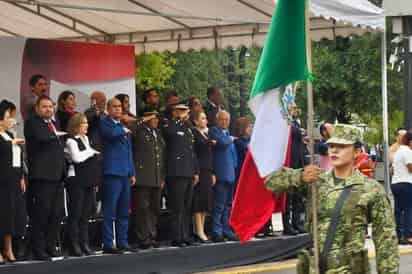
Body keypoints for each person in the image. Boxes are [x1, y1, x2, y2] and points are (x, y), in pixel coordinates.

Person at [265, 124, 399, 274]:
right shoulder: (315, 180)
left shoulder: (371, 189)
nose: (334, 150)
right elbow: (270, 183)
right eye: (331, 145)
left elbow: (386, 241)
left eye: (341, 146)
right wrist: (300, 176)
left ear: (356, 151)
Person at [24, 95, 66, 260]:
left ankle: (50, 246)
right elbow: (41, 138)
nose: (49, 109)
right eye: (45, 106)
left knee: (57, 214)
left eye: (50, 106)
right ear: (37, 108)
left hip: (57, 176)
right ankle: (38, 248)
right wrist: (56, 135)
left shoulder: (54, 124)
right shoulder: (32, 122)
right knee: (42, 213)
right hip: (42, 176)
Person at [99, 98, 136, 254]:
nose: (118, 109)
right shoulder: (104, 122)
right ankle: (108, 243)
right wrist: (123, 129)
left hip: (125, 172)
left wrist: (132, 172)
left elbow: (129, 151)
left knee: (123, 210)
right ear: (108, 109)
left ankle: (122, 241)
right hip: (112, 172)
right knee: (110, 209)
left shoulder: (122, 126)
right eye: (114, 107)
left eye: (120, 107)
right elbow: (110, 134)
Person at [162, 103, 199, 247]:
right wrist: (177, 119)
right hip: (177, 172)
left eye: (186, 110)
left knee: (186, 206)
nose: (185, 113)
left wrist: (195, 171)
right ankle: (177, 236)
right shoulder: (169, 125)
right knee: (177, 207)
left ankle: (185, 235)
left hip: (188, 171)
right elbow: (169, 134)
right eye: (182, 110)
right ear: (174, 112)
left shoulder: (187, 128)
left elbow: (191, 151)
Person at [65, 113, 100, 256]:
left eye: (86, 123)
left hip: (88, 180)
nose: (86, 125)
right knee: (76, 213)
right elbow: (77, 158)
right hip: (76, 181)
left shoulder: (86, 139)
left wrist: (89, 151)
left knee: (85, 214)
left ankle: (84, 243)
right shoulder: (71, 141)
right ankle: (74, 245)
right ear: (76, 125)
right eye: (83, 123)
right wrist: (90, 151)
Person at [131, 111, 165, 249]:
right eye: (152, 117)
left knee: (154, 208)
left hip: (156, 177)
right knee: (142, 209)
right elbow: (130, 129)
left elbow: (161, 156)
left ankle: (152, 235)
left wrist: (162, 176)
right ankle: (143, 238)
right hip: (143, 177)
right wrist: (141, 120)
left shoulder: (156, 133)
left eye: (156, 117)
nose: (155, 120)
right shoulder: (139, 131)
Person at [0, 100, 26, 264]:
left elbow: (18, 157)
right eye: (9, 116)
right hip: (2, 180)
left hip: (14, 178)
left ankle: (9, 249)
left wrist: (22, 176)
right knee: (1, 214)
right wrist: (12, 143)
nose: (12, 120)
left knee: (12, 215)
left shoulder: (10, 135)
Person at [209, 111, 238, 242]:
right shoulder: (214, 131)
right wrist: (230, 139)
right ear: (217, 120)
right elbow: (224, 143)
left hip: (230, 174)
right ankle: (217, 231)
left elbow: (233, 155)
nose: (225, 122)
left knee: (228, 205)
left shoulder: (227, 134)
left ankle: (227, 229)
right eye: (222, 119)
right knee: (219, 205)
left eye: (227, 120)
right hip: (220, 174)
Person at [282, 102, 307, 235]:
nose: (295, 110)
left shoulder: (295, 122)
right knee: (288, 197)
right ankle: (287, 225)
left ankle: (296, 223)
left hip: (298, 161)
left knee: (297, 196)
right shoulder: (285, 121)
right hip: (289, 162)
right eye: (293, 107)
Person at [192, 111, 216, 243]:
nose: (205, 120)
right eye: (202, 118)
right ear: (196, 121)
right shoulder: (194, 133)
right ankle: (199, 230)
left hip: (207, 169)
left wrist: (213, 172)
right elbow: (195, 152)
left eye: (205, 118)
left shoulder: (206, 133)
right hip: (199, 169)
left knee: (205, 201)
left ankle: (202, 229)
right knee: (198, 201)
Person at [391, 130, 412, 245]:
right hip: (406, 183)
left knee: (398, 211)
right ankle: (408, 236)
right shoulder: (408, 151)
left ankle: (399, 236)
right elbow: (410, 168)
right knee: (409, 210)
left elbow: (393, 169)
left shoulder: (399, 151)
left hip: (396, 183)